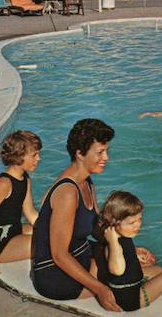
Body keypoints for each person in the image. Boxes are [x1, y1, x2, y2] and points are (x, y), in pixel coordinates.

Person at [31, 119, 122, 311]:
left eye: (106, 151)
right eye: (100, 152)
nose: (106, 158)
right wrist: (99, 289)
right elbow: (59, 255)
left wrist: (124, 246)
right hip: (56, 275)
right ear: (80, 153)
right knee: (128, 285)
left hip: (80, 255)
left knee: (130, 262)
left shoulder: (87, 182)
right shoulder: (67, 193)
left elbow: (97, 229)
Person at [93, 191, 162, 311]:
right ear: (114, 223)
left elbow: (122, 258)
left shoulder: (120, 237)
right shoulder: (113, 245)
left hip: (129, 286)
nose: (138, 225)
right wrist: (113, 242)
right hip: (130, 299)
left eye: (139, 219)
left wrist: (134, 257)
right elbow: (117, 270)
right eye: (132, 222)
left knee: (157, 270)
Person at [0, 131, 41, 280]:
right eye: (34, 155)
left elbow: (30, 213)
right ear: (20, 156)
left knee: (54, 234)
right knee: (47, 244)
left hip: (14, 230)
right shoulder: (3, 184)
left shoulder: (25, 179)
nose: (39, 158)